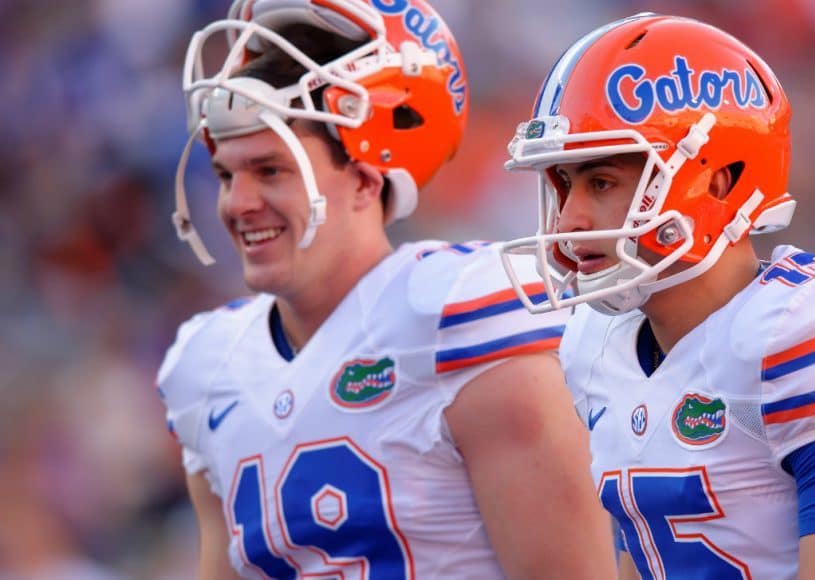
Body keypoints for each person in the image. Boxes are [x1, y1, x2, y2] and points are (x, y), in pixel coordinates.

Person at [156, 1, 616, 578]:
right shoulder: (207, 367)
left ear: (365, 177)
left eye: (271, 170)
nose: (238, 203)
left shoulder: (460, 320)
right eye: (227, 174)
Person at [499, 13, 815, 580]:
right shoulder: (596, 347)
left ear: (717, 180)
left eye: (600, 183)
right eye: (562, 186)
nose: (570, 218)